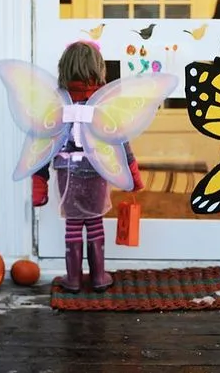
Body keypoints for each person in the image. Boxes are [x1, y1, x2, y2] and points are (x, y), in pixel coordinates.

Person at [31, 41, 144, 293]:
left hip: (67, 171)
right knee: (94, 222)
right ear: (99, 69)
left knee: (73, 223)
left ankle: (72, 280)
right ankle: (99, 278)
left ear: (64, 69)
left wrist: (39, 183)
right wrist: (132, 176)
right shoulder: (104, 105)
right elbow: (120, 141)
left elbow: (43, 144)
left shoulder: (57, 105)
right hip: (96, 170)